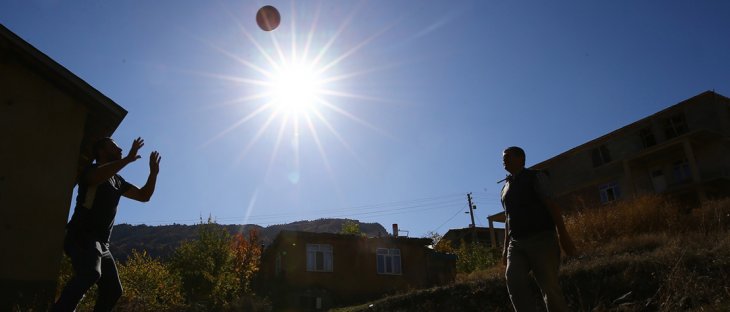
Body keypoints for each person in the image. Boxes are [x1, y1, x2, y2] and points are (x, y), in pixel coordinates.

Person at [53, 137, 161, 312]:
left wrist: (153, 174)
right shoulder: (92, 170)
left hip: (102, 244)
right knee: (91, 272)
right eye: (115, 147)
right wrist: (127, 159)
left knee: (113, 290)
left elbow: (144, 196)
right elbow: (96, 178)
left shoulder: (118, 181)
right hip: (82, 235)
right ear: (102, 152)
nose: (120, 150)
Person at [500, 146, 576, 312]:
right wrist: (505, 248)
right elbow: (507, 219)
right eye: (503, 157)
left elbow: (552, 206)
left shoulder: (536, 177)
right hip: (516, 244)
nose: (503, 160)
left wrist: (563, 235)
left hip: (542, 239)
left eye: (507, 156)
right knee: (514, 282)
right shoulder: (505, 188)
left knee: (549, 288)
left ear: (521, 158)